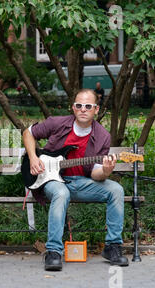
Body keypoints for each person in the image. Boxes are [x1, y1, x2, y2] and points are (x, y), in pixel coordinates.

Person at [22, 89, 128, 271]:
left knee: (116, 190)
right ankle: (53, 251)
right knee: (61, 193)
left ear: (96, 109)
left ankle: (112, 247)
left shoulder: (102, 136)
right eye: (79, 105)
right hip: (52, 180)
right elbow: (28, 133)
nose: (83, 109)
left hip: (81, 182)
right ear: (73, 108)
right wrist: (33, 157)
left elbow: (96, 174)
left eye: (88, 106)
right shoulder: (57, 123)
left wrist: (105, 171)